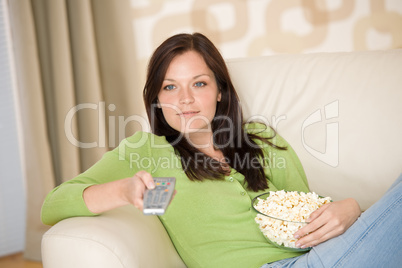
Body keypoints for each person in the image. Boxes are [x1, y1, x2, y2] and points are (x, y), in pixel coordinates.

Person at [41, 32, 402, 268]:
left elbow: (306, 213)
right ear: (155, 98)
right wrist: (121, 190)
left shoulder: (259, 139)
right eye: (169, 87)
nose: (184, 99)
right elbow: (53, 205)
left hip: (322, 257)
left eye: (198, 83)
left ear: (219, 91)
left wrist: (353, 209)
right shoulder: (145, 151)